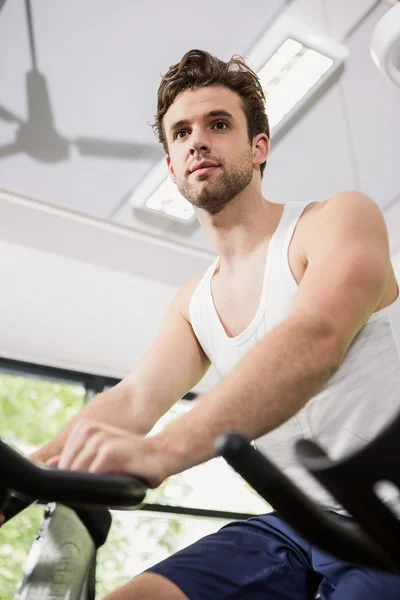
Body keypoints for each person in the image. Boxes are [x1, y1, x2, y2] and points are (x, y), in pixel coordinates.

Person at [4, 49, 400, 599]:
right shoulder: (195, 303)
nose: (197, 140)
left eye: (218, 124)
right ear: (171, 165)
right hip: (296, 524)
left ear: (259, 147)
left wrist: (164, 451)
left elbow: (315, 339)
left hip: (389, 522)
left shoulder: (335, 220)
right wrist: (23, 479)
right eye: (181, 132)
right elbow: (132, 400)